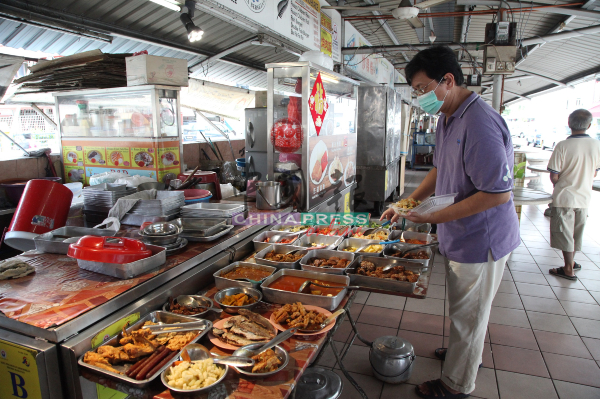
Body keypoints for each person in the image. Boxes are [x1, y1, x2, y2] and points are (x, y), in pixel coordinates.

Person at [380, 46, 520, 399]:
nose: (420, 97)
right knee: (466, 311)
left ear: (448, 80)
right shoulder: (448, 116)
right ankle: (464, 352)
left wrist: (432, 217)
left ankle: (457, 384)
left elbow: (497, 194)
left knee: (469, 315)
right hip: (461, 234)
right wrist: (406, 203)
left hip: (482, 238)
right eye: (415, 91)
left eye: (423, 88)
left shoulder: (480, 123)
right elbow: (440, 169)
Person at [547, 109, 600, 280]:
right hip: (584, 198)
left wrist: (559, 182)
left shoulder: (563, 145)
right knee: (577, 232)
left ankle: (568, 268)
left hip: (565, 196)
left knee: (564, 232)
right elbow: (594, 173)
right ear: (589, 125)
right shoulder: (596, 145)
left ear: (569, 124)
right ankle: (572, 263)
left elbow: (554, 175)